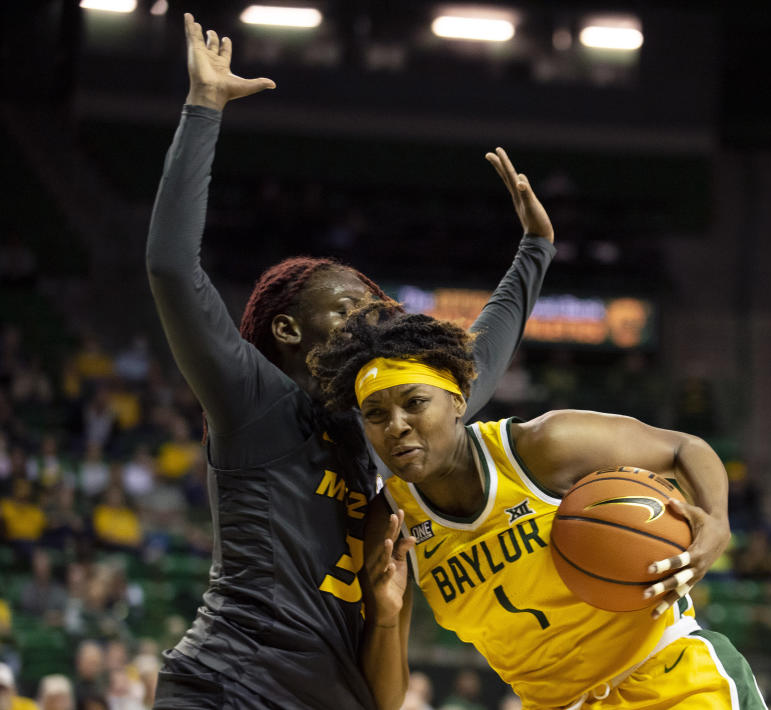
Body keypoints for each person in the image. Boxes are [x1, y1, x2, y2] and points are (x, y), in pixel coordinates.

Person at [145, 12, 555, 710]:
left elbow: (470, 368)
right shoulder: (256, 403)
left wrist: (534, 251)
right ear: (287, 329)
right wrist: (204, 108)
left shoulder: (381, 426)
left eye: (374, 307)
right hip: (229, 687)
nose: (369, 317)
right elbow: (172, 271)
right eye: (345, 308)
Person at [311, 304, 766, 710]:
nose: (396, 427)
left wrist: (718, 522)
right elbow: (387, 702)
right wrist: (386, 619)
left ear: (457, 400)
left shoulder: (542, 447)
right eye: (375, 414)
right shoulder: (389, 522)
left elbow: (684, 448)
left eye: (415, 404)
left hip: (672, 679)